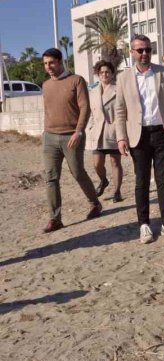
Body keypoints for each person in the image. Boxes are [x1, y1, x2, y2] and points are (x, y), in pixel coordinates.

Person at [116, 35, 164, 243]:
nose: (144, 54)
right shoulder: (124, 78)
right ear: (132, 52)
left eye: (148, 50)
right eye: (140, 50)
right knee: (141, 180)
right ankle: (144, 224)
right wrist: (121, 137)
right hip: (138, 135)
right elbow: (120, 109)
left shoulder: (163, 73)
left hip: (161, 133)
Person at [39, 48, 102, 233]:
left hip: (72, 136)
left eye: (51, 62)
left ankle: (94, 204)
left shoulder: (76, 80)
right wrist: (46, 132)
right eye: (45, 64)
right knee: (51, 178)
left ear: (60, 62)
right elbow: (47, 110)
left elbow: (85, 108)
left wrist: (78, 132)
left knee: (78, 172)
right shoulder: (46, 85)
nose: (48, 67)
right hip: (50, 138)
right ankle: (55, 218)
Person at [85, 60, 123, 203]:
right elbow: (90, 112)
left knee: (115, 162)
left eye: (107, 72)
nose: (104, 74)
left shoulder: (118, 89)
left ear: (112, 73)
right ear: (98, 75)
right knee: (97, 163)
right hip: (98, 132)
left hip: (113, 130)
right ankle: (103, 180)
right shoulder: (93, 92)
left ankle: (117, 191)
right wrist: (90, 127)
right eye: (101, 72)